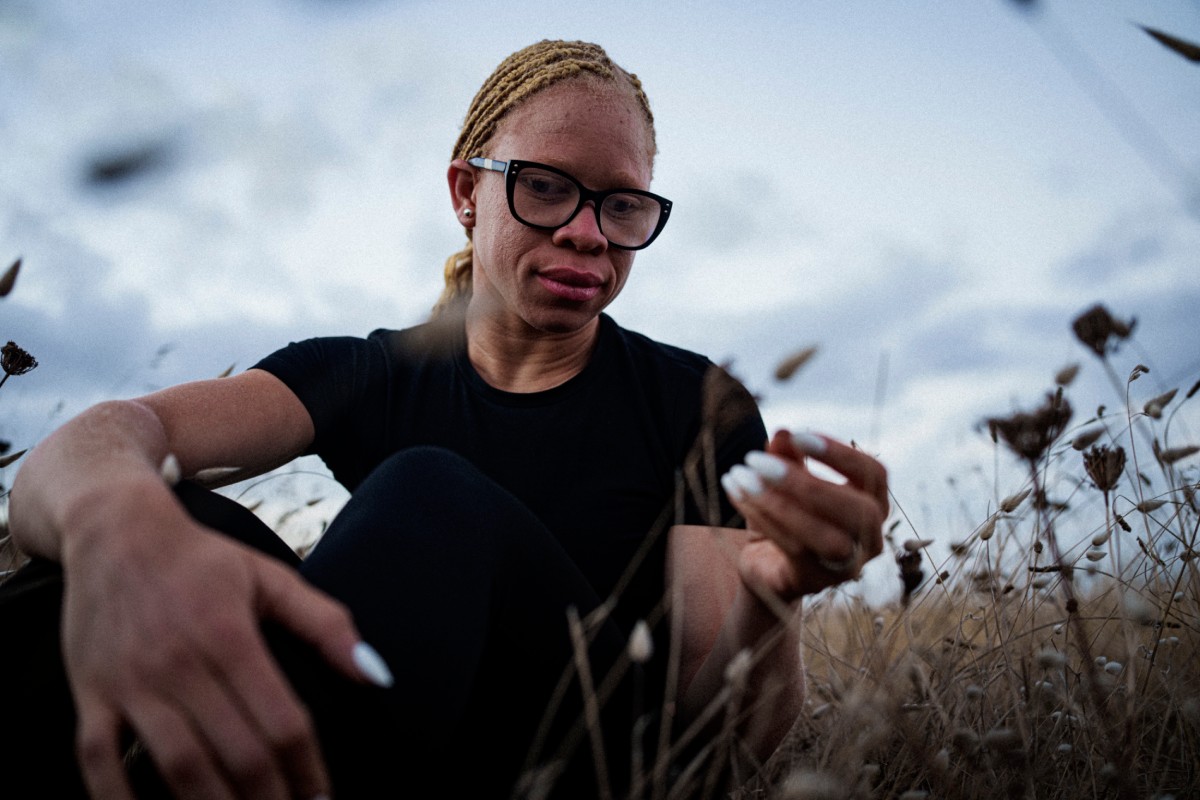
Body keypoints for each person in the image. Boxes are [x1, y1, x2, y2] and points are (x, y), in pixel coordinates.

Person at [1, 40, 888, 799]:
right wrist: (115, 526)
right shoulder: (365, 372)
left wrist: (774, 600)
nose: (588, 234)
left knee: (434, 493)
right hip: (388, 721)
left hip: (584, 762)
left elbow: (716, 750)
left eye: (622, 206)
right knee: (160, 522)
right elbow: (93, 444)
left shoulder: (696, 403)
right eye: (546, 187)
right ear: (468, 191)